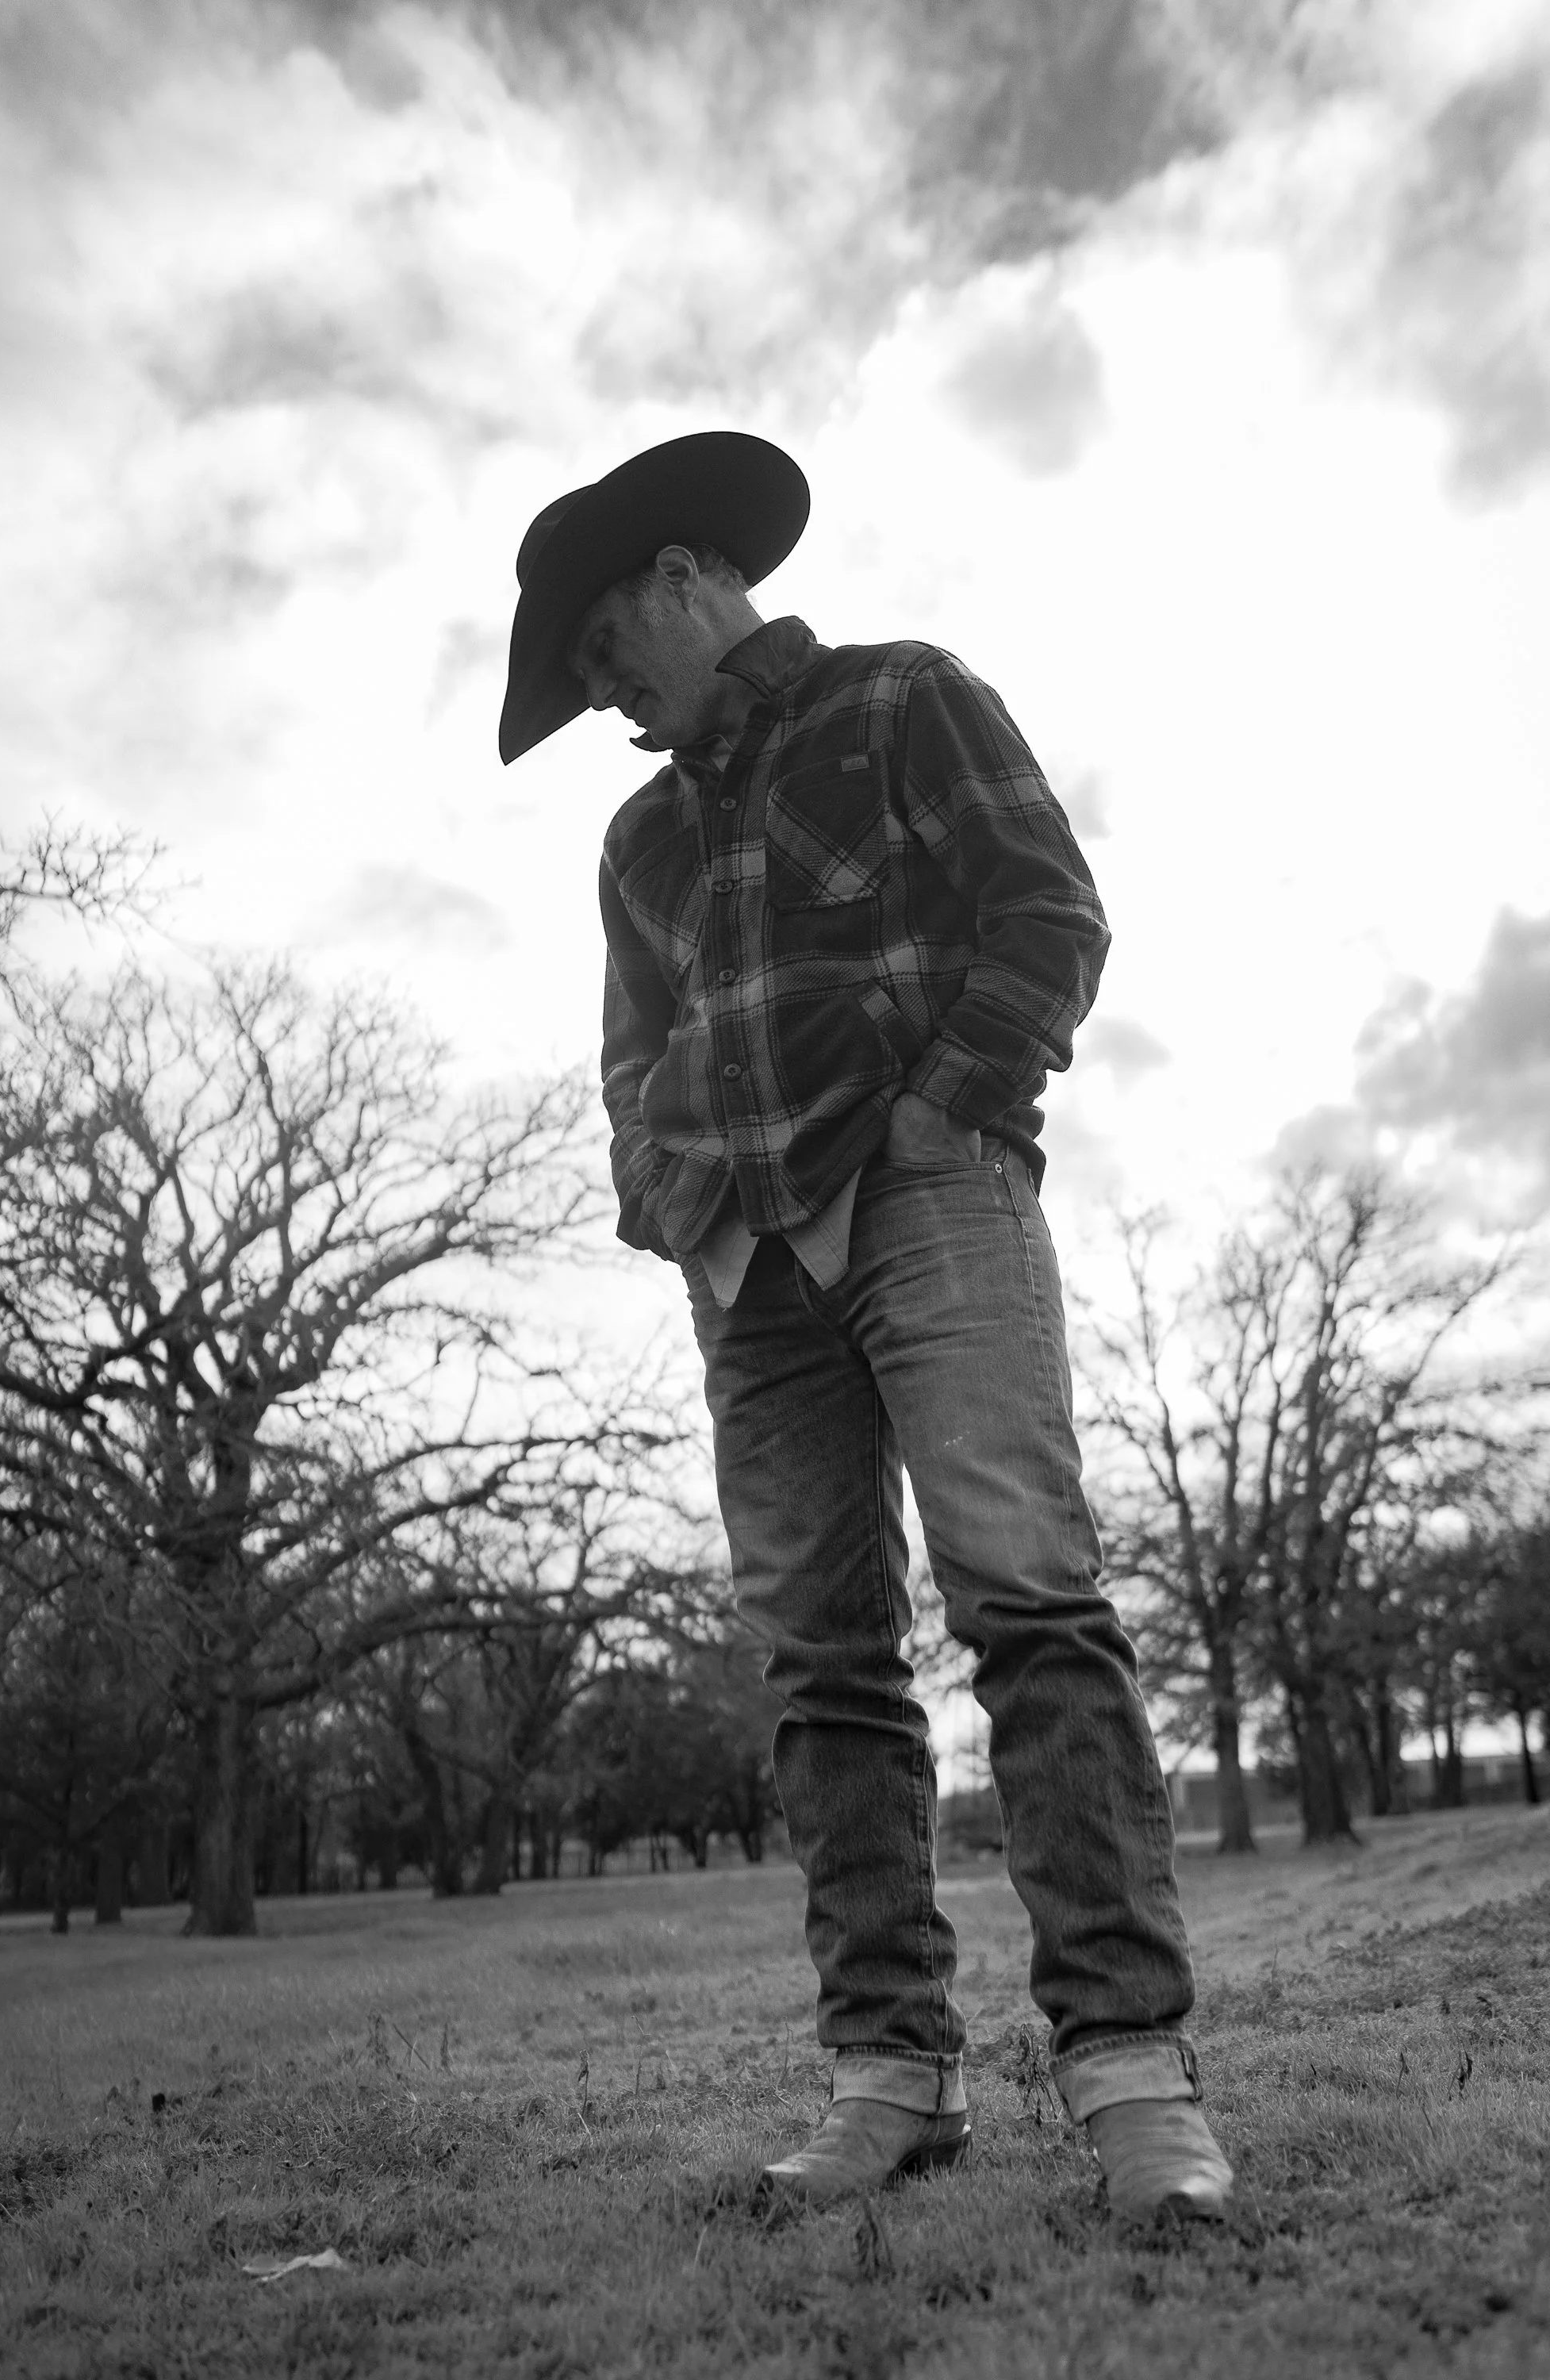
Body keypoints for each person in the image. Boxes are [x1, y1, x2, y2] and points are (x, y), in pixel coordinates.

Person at [499, 431, 1233, 2221]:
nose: (606, 701)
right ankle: (889, 2072)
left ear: (683, 583)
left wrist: (944, 1113)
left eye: (607, 656)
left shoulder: (907, 701)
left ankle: (1130, 2070)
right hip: (745, 1270)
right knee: (822, 1666)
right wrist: (663, 1198)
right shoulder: (636, 843)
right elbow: (625, 1060)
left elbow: (1047, 912)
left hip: (927, 1203)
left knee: (1029, 1603)